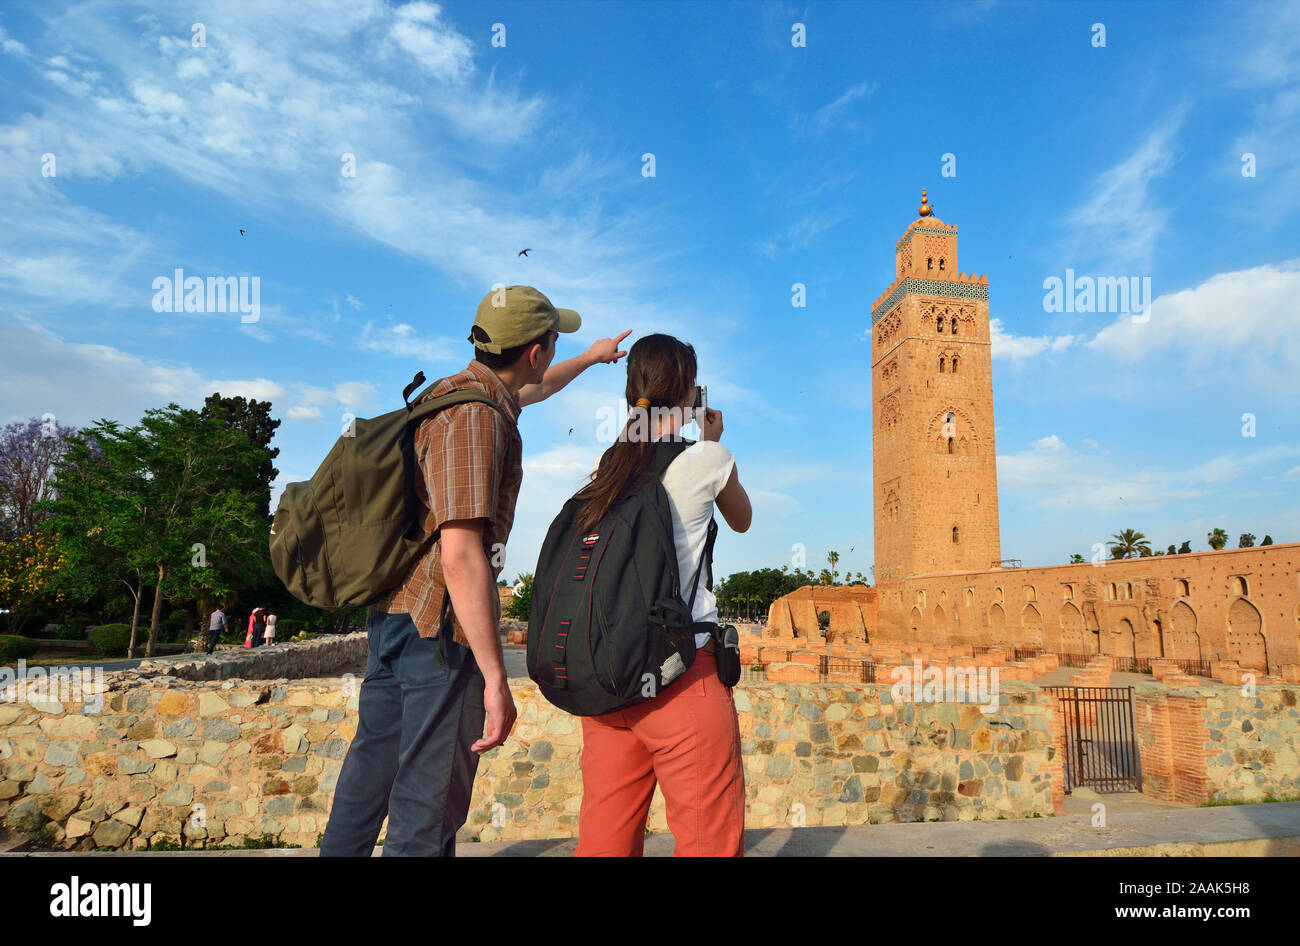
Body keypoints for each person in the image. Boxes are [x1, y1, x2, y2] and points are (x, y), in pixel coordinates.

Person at [320, 285, 631, 857]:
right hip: (437, 632)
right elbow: (460, 556)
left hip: (394, 616)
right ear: (534, 350)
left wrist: (590, 358)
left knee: (369, 775)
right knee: (427, 801)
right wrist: (493, 675)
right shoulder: (476, 420)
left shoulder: (452, 392)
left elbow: (532, 391)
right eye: (555, 342)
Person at [571, 333, 752, 857]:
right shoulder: (707, 459)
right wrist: (712, 437)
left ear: (633, 393)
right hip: (682, 676)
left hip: (611, 683)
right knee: (707, 840)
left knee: (604, 840)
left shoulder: (610, 467)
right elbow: (742, 520)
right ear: (690, 390)